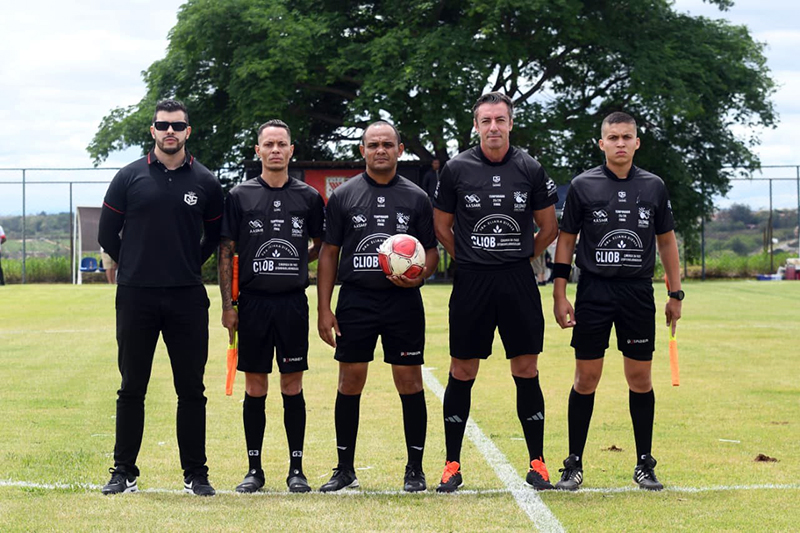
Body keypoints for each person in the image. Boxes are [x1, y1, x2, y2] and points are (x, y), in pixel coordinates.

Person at [433, 92, 559, 492]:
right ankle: (452, 464)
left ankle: (537, 463)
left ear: (510, 123)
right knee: (462, 370)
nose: (493, 127)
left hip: (517, 282)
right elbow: (441, 227)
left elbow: (548, 227)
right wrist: (469, 257)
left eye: (500, 120)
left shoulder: (530, 167)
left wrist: (522, 257)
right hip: (472, 282)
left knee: (526, 369)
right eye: (485, 121)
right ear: (476, 126)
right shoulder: (456, 169)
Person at [97, 99, 223, 496]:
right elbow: (106, 234)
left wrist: (186, 264)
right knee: (132, 385)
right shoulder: (129, 177)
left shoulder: (205, 181)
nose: (170, 131)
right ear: (152, 130)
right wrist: (133, 266)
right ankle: (124, 473)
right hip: (136, 297)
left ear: (189, 131)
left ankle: (196, 475)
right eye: (163, 125)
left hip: (187, 297)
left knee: (191, 389)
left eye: (178, 125)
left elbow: (214, 237)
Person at [551, 111, 682, 491]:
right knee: (586, 378)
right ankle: (573, 463)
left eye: (627, 137)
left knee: (640, 379)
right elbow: (566, 240)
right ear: (602, 143)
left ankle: (644, 463)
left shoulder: (654, 186)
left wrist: (675, 293)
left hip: (638, 293)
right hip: (594, 291)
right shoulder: (582, 185)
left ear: (637, 142)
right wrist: (560, 292)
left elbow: (667, 242)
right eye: (613, 137)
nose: (620, 143)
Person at [317, 121, 439, 492]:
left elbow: (432, 252)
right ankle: (344, 469)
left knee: (409, 380)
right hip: (356, 300)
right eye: (373, 145)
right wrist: (324, 308)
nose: (381, 150)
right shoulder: (343, 196)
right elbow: (329, 253)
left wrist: (419, 277)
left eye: (388, 144)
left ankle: (414, 469)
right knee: (350, 380)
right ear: (362, 151)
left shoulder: (417, 197)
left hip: (403, 301)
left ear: (400, 150)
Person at [219, 119, 324, 493]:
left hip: (292, 303)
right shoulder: (239, 196)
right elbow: (227, 251)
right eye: (269, 144)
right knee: (256, 386)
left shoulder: (308, 197)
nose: (276, 149)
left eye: (282, 143)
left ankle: (297, 469)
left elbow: (322, 244)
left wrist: (298, 260)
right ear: (258, 151)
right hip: (253, 305)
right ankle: (254, 469)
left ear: (291, 151)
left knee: (292, 386)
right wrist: (228, 305)